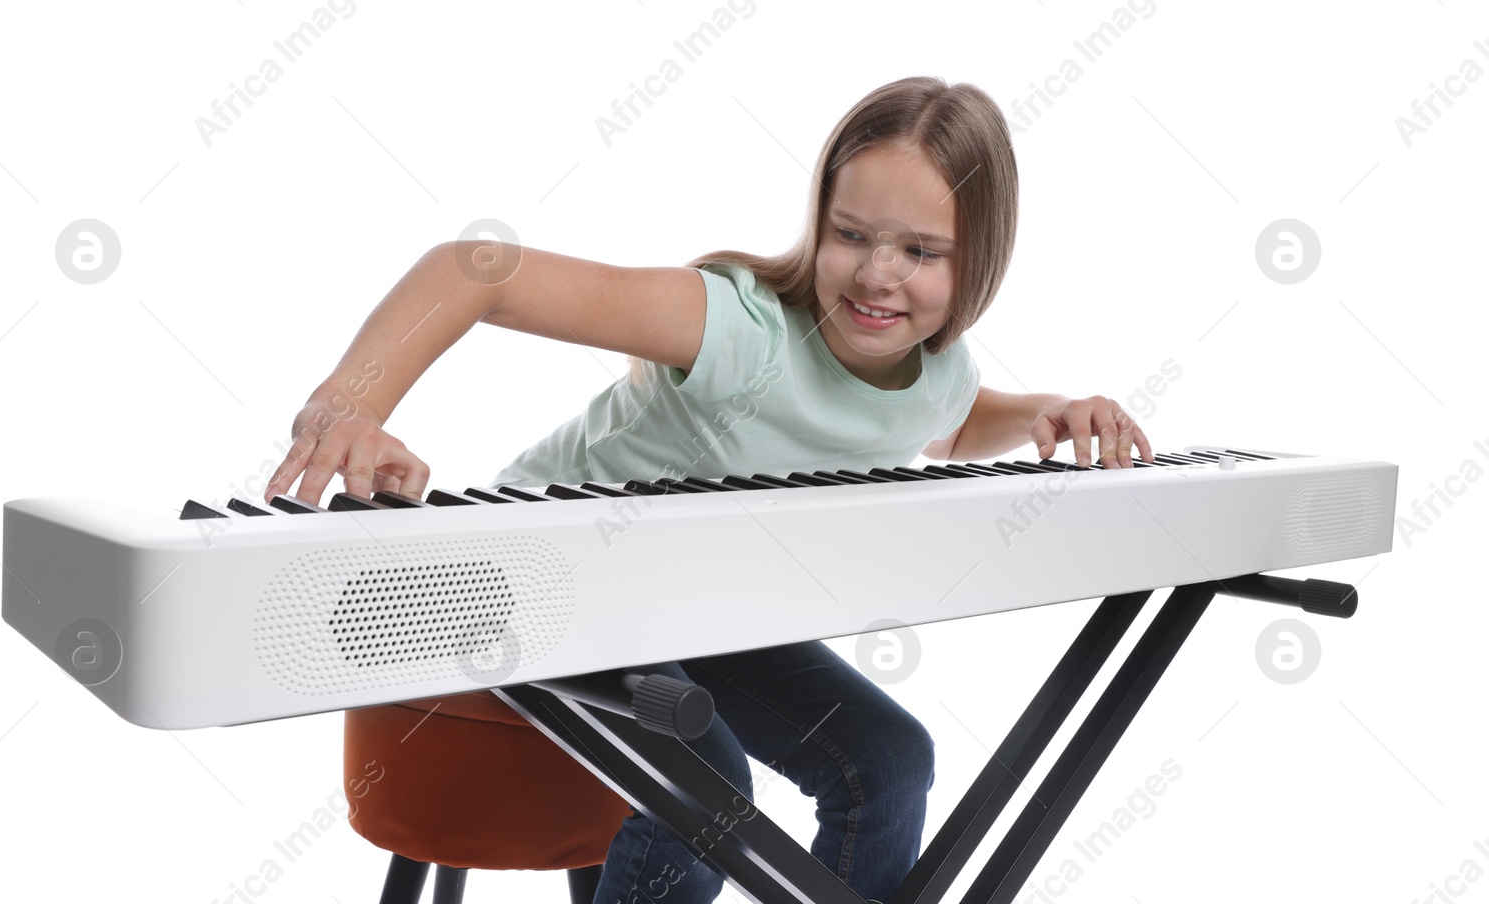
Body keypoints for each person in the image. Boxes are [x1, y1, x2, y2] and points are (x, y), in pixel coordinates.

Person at [264, 75, 1152, 904]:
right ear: (819, 222)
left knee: (889, 761)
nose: (879, 274)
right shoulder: (735, 329)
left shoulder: (933, 374)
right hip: (535, 588)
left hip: (691, 614)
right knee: (706, 784)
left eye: (921, 251)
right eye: (851, 235)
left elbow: (950, 423)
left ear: (979, 261)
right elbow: (475, 270)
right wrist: (347, 407)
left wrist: (1056, 410)